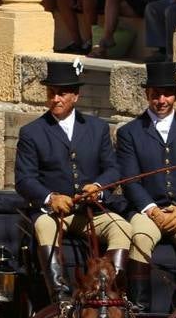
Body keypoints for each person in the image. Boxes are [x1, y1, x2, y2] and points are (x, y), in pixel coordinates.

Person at [15, 60, 130, 302]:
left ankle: (107, 292)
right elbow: (24, 179)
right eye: (51, 93)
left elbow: (112, 168)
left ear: (75, 96)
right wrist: (51, 198)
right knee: (43, 226)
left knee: (124, 228)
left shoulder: (98, 128)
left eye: (62, 93)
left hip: (91, 212)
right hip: (56, 215)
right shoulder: (32, 132)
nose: (55, 99)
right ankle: (60, 296)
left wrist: (98, 188)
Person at [115, 60, 176, 310]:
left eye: (167, 94)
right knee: (139, 237)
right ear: (147, 94)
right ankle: (139, 307)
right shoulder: (130, 132)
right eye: (156, 94)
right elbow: (130, 182)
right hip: (146, 211)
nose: (162, 100)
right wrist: (153, 211)